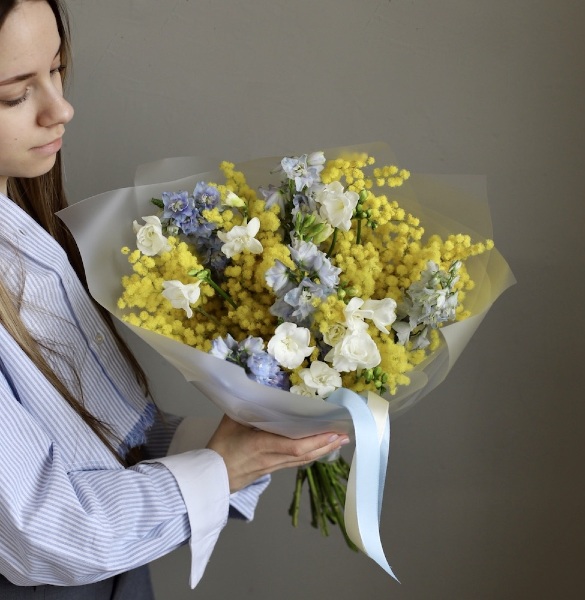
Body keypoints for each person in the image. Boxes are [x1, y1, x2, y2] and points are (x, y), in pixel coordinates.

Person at [0, 1, 349, 597]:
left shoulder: (27, 234)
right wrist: (223, 467)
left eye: (57, 70)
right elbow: (42, 532)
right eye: (14, 95)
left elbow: (107, 441)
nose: (61, 108)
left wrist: (257, 435)